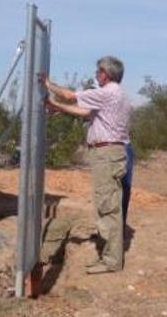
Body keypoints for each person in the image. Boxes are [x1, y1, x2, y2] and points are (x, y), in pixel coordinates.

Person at [42, 56, 132, 274]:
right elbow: (84, 112)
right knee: (108, 203)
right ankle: (110, 255)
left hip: (107, 154)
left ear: (105, 74)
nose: (95, 74)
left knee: (108, 205)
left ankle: (111, 260)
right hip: (111, 153)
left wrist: (47, 83)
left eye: (98, 71)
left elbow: (70, 96)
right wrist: (56, 106)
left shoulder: (107, 92)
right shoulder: (116, 94)